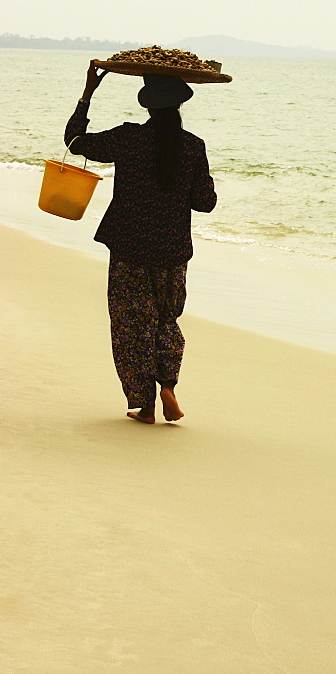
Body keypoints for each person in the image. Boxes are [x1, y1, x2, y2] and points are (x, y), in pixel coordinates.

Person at [65, 61, 217, 424]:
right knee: (166, 319)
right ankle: (168, 384)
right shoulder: (194, 147)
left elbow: (74, 143)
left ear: (146, 105)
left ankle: (144, 404)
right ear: (180, 105)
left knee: (132, 325)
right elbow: (205, 203)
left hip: (129, 247)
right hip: (172, 251)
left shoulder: (128, 138)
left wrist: (88, 94)